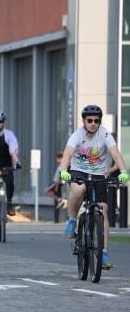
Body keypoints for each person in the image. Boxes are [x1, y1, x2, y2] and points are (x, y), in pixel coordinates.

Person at [60, 105, 128, 270]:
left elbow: (115, 153)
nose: (93, 123)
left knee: (103, 211)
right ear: (84, 120)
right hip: (79, 171)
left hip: (98, 174)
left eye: (96, 121)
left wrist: (124, 171)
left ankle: (103, 253)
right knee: (78, 189)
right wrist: (63, 171)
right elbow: (67, 154)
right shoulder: (77, 135)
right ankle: (72, 220)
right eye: (89, 120)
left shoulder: (104, 133)